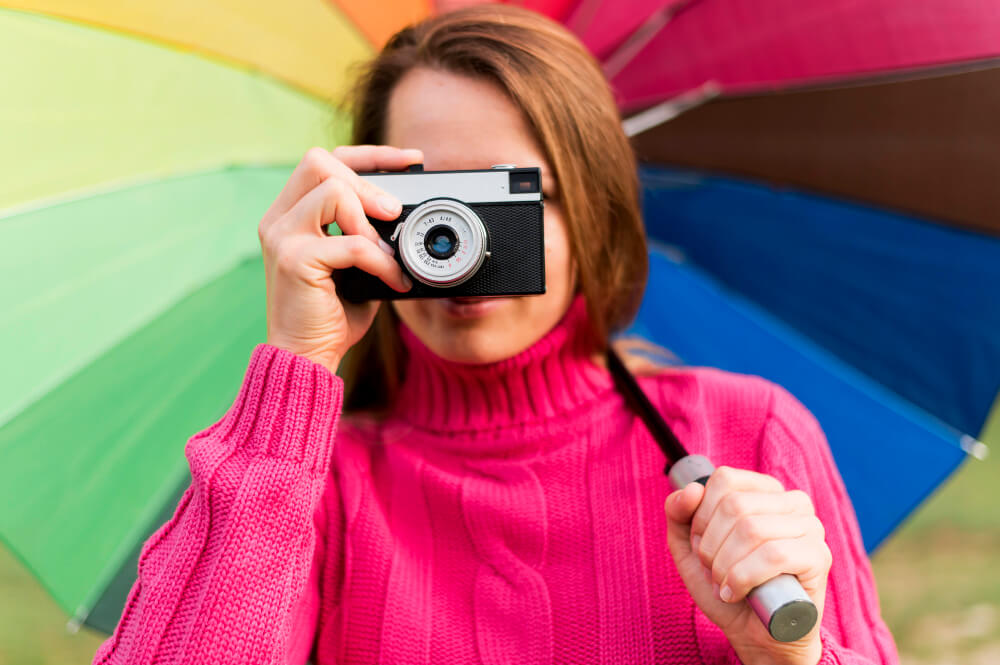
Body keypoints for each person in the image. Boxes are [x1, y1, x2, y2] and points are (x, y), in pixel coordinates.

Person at [93, 6, 899, 665]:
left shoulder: (743, 436)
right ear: (358, 208)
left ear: (589, 208)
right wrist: (295, 371)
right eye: (424, 203)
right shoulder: (310, 485)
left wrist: (789, 655)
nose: (456, 243)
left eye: (504, 200)